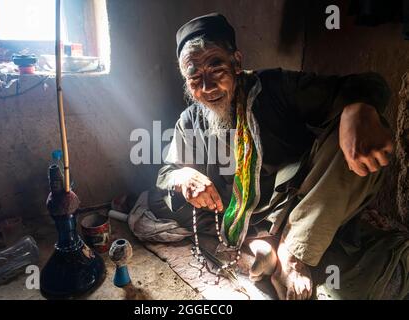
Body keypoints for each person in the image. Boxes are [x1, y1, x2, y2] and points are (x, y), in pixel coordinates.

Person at [148, 13, 393, 300]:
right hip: (237, 213)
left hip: (295, 206)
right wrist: (184, 177)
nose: (207, 86)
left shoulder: (276, 87)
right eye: (194, 76)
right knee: (160, 199)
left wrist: (357, 109)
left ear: (236, 62)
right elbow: (166, 171)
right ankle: (257, 246)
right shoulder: (190, 121)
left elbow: (367, 84)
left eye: (216, 67)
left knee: (364, 134)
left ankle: (291, 254)